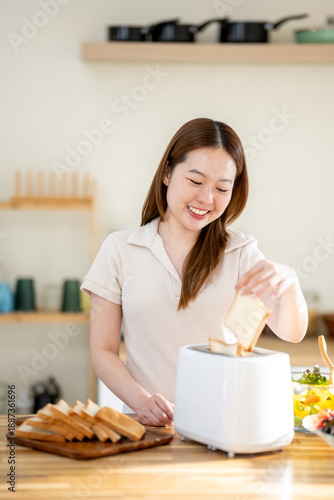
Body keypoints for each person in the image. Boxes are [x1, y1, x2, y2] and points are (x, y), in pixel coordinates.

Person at [81, 117, 308, 427]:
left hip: (225, 424)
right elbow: (103, 351)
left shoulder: (240, 252)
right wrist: (142, 402)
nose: (207, 199)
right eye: (196, 181)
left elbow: (291, 333)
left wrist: (290, 285)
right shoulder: (120, 249)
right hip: (147, 427)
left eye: (221, 188)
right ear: (167, 174)